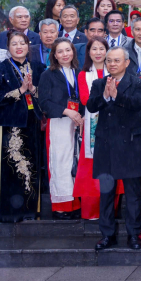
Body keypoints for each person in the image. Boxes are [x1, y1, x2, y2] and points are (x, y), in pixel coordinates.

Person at [86, 46, 141, 250]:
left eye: (116, 60)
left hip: (129, 144)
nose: (112, 64)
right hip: (106, 145)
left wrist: (117, 96)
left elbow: (139, 105)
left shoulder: (137, 82)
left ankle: (134, 235)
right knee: (106, 194)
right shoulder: (98, 83)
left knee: (132, 194)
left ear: (127, 63)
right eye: (109, 61)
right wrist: (105, 96)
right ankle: (107, 235)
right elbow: (91, 106)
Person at [0, 31, 46, 222]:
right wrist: (20, 90)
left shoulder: (38, 68)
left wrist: (33, 90)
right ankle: (10, 212)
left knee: (32, 166)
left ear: (28, 45)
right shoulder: (0, 69)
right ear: (8, 47)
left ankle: (30, 210)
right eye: (14, 43)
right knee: (11, 169)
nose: (19, 46)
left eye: (22, 43)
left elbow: (46, 95)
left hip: (33, 123)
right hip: (10, 125)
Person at [39, 38, 83, 219]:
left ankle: (75, 203)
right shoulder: (47, 75)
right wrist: (66, 111)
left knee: (76, 162)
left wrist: (79, 116)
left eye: (68, 50)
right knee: (60, 163)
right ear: (54, 55)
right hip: (58, 122)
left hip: (78, 123)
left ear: (73, 51)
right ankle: (61, 206)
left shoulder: (79, 72)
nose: (65, 54)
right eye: (60, 51)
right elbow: (43, 102)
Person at [74, 38, 117, 220]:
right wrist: (106, 95)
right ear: (88, 52)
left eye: (102, 48)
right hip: (92, 125)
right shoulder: (84, 74)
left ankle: (111, 211)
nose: (98, 52)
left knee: (113, 166)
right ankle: (91, 211)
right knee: (91, 169)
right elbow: (85, 99)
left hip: (114, 123)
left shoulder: (116, 72)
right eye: (94, 49)